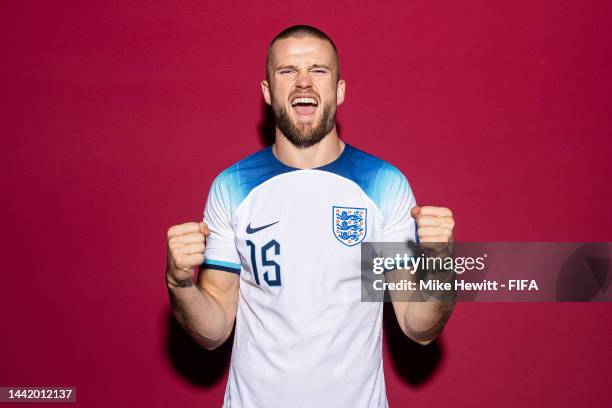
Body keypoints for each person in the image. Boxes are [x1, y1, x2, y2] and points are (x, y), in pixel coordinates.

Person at [166, 25, 455, 408]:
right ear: (268, 92)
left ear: (339, 90)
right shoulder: (232, 187)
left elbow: (417, 326)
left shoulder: (383, 185)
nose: (304, 82)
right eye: (287, 71)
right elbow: (214, 329)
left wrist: (442, 264)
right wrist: (179, 284)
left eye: (318, 70)